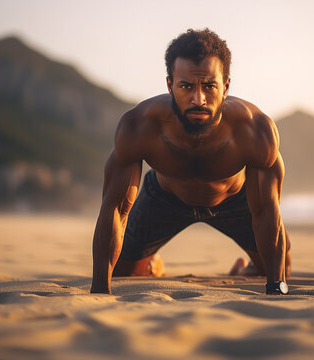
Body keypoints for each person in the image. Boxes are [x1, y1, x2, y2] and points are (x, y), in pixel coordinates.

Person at [91, 28, 291, 295]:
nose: (199, 99)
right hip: (164, 198)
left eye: (209, 86)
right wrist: (100, 290)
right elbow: (115, 209)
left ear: (226, 86)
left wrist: (276, 287)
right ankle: (151, 263)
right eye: (186, 86)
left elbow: (267, 211)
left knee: (279, 269)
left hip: (234, 200)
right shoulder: (140, 126)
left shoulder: (254, 131)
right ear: (170, 85)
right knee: (120, 272)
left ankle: (244, 269)